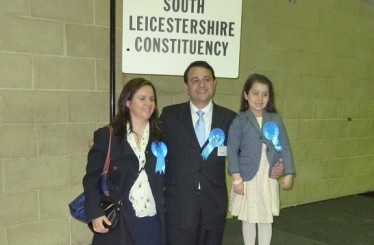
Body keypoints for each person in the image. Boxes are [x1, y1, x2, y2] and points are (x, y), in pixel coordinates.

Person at [160, 61, 284, 245]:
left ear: (215, 83)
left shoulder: (230, 119)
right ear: (186, 86)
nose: (201, 85)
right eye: (195, 80)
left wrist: (277, 162)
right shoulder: (169, 116)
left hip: (213, 205)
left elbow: (250, 153)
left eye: (206, 79)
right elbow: (155, 154)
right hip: (179, 206)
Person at [83, 78, 166, 245]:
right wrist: (94, 212)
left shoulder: (162, 136)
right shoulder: (107, 136)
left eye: (152, 99)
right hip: (120, 219)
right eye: (142, 98)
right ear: (127, 102)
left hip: (153, 219)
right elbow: (91, 178)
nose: (148, 103)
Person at [227, 73, 295, 245]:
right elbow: (232, 151)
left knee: (265, 218)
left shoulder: (275, 119)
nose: (260, 98)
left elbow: (284, 146)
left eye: (265, 94)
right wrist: (237, 179)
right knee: (248, 218)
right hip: (247, 177)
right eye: (255, 93)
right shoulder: (240, 120)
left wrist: (288, 173)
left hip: (267, 175)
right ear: (246, 95)